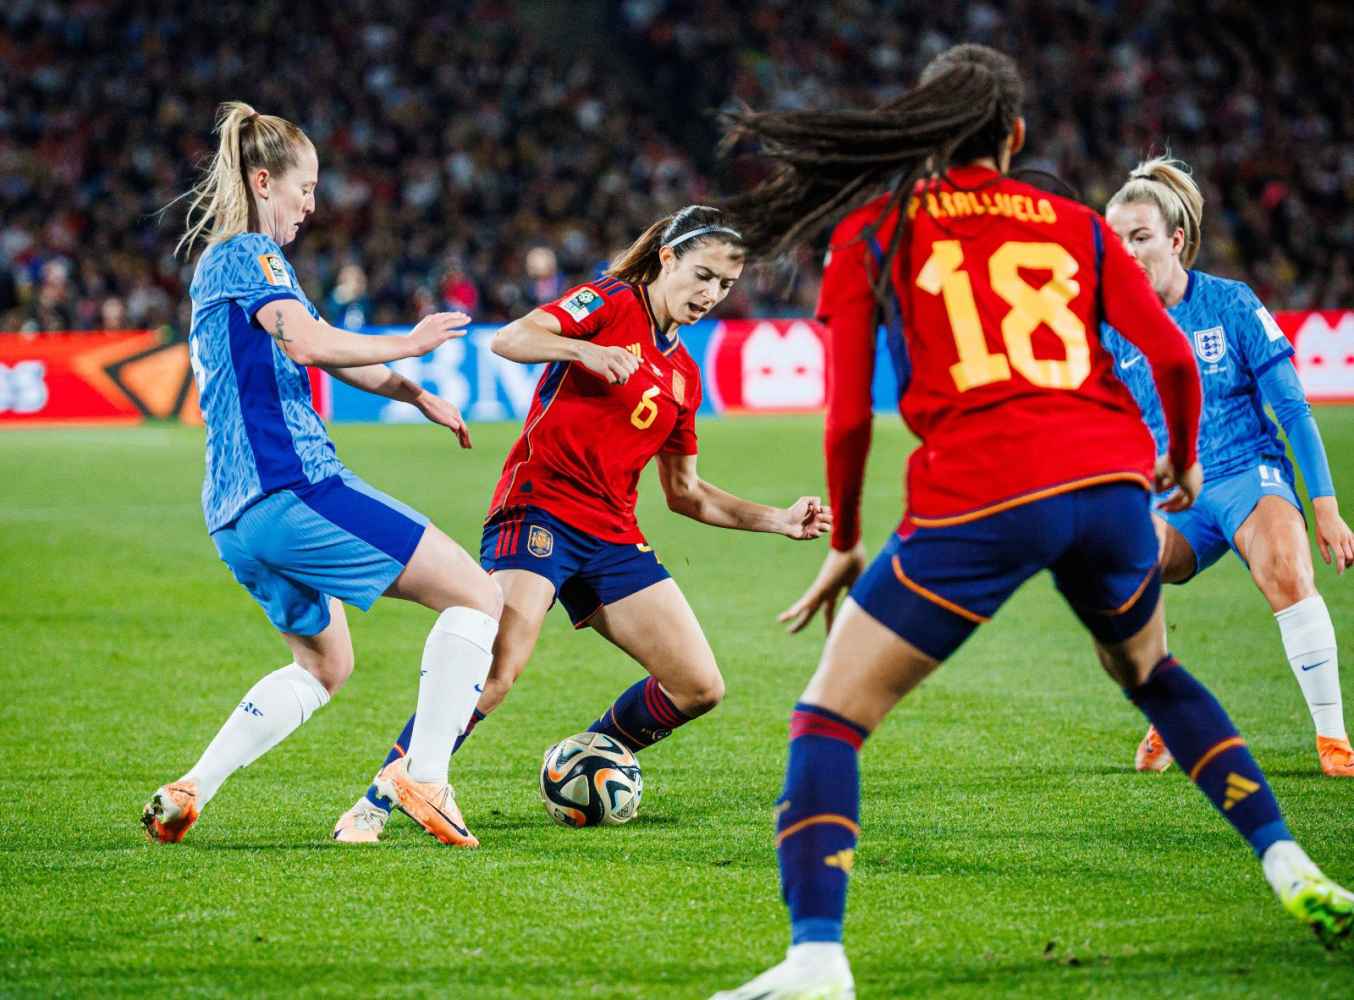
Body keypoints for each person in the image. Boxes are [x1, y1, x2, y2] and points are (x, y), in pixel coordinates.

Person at [710, 44, 1353, 999]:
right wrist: (1173, 458)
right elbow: (1172, 359)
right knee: (1152, 673)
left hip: (983, 495)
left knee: (828, 719)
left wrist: (847, 536)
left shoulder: (873, 233)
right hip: (1106, 487)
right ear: (1013, 137)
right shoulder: (1076, 224)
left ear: (925, 131)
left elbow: (847, 416)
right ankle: (1291, 866)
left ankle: (816, 959)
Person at [332, 205, 832, 844]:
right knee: (500, 669)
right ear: (668, 258)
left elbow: (685, 494)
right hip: (538, 508)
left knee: (698, 685)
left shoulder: (684, 375)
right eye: (702, 275)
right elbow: (509, 338)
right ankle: (375, 802)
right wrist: (585, 353)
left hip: (612, 534)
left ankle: (589, 757)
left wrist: (779, 520)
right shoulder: (611, 300)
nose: (710, 295)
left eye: (726, 286)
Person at [141, 102, 503, 848]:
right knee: (477, 594)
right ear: (265, 181)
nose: (312, 205)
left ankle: (191, 787)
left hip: (235, 517)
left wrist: (413, 391)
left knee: (324, 661)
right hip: (293, 486)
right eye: (305, 189)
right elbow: (307, 344)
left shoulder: (229, 267)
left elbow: (309, 345)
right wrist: (411, 342)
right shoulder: (251, 255)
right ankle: (425, 775)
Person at [1099, 157, 1354, 776]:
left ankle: (1333, 739)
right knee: (1120, 575)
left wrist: (1324, 505)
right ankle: (1169, 716)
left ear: (1175, 239)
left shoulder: (1230, 304)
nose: (1126, 252)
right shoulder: (1111, 328)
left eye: (1141, 237)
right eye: (1116, 240)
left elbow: (1293, 410)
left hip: (1247, 472)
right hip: (1173, 491)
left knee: (1285, 569)